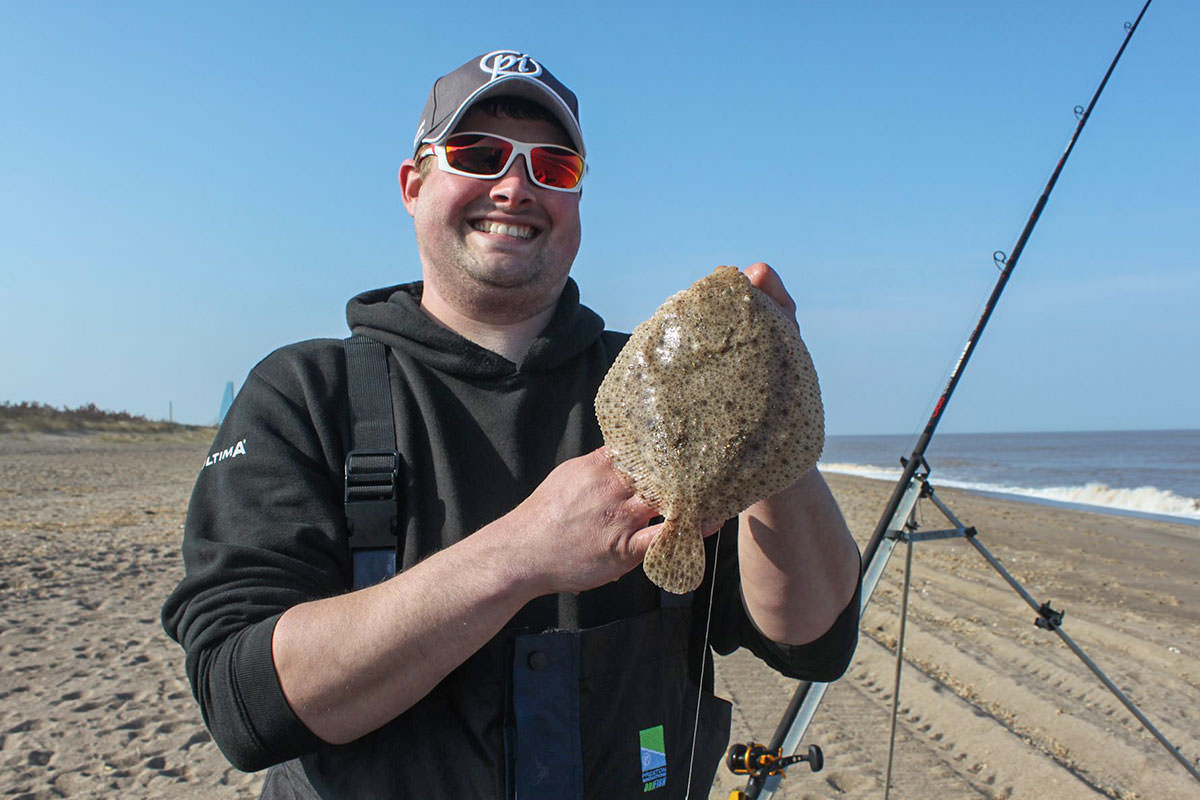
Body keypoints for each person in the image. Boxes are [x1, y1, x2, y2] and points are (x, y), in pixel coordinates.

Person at [162, 49, 862, 799]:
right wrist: (523, 553)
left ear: (578, 200)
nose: (515, 185)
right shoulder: (303, 394)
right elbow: (245, 708)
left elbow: (813, 641)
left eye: (553, 168)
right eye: (479, 154)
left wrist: (772, 402)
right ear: (413, 184)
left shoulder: (657, 381)